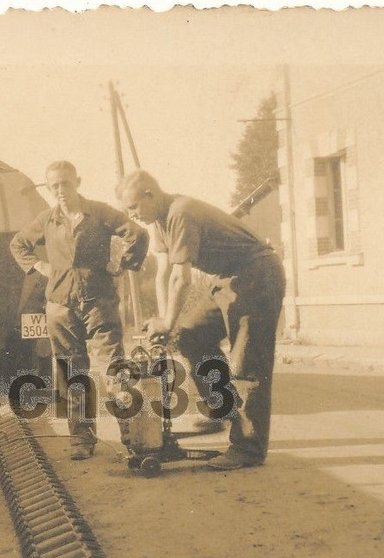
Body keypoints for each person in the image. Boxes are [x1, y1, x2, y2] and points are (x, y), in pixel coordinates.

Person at [116, 169, 286, 471]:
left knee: (248, 363)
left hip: (257, 274)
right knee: (190, 333)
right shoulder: (160, 221)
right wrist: (164, 321)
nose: (132, 215)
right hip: (228, 279)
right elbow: (163, 273)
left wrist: (167, 321)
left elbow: (181, 278)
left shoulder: (181, 213)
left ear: (150, 195)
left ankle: (248, 449)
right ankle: (223, 408)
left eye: (134, 207)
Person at [9, 160, 149, 460]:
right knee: (72, 373)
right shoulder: (46, 219)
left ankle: (132, 436)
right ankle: (81, 440)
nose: (60, 190)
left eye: (65, 183)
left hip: (99, 303)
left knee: (114, 370)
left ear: (78, 182)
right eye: (54, 185)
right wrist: (40, 265)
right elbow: (19, 244)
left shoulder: (99, 212)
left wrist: (123, 265)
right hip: (60, 306)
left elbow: (137, 233)